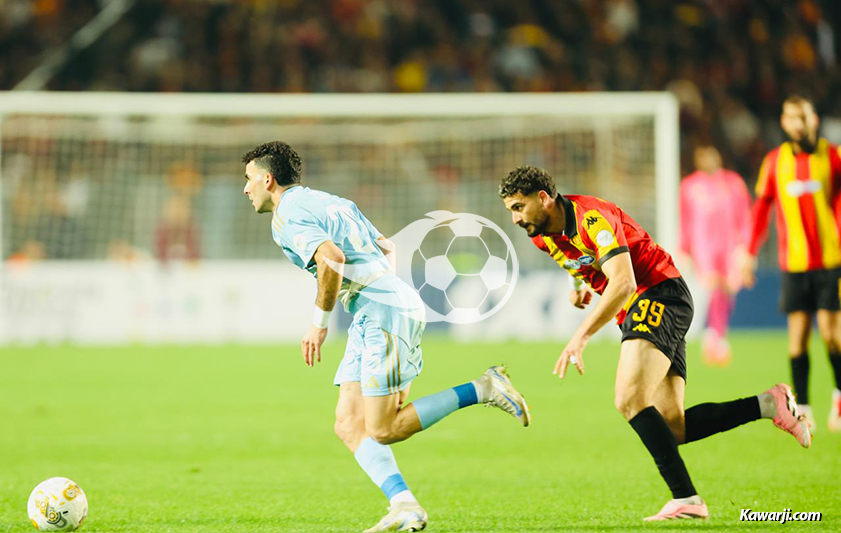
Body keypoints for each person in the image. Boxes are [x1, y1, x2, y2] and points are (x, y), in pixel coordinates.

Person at [241, 141, 531, 532]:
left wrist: (319, 323)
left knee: (384, 428)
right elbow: (386, 245)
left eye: (248, 179)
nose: (246, 189)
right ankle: (404, 506)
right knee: (347, 423)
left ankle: (483, 388)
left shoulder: (287, 215)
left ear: (267, 178)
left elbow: (332, 260)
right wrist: (382, 290)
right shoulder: (332, 201)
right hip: (376, 312)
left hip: (382, 315)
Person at [499, 165, 810, 522]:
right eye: (510, 210)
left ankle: (687, 498)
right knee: (672, 428)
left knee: (629, 399)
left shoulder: (592, 218)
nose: (515, 219)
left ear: (543, 198)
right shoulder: (542, 234)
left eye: (518, 207)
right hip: (644, 307)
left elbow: (624, 283)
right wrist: (579, 288)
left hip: (659, 294)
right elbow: (577, 262)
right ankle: (770, 404)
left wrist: (580, 336)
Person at [741, 94, 841, 432]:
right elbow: (761, 209)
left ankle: (839, 397)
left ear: (814, 119)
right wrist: (749, 251)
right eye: (791, 118)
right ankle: (807, 408)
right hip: (794, 265)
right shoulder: (775, 162)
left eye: (803, 117)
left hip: (830, 261)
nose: (797, 123)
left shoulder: (833, 157)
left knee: (831, 335)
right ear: (784, 123)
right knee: (797, 340)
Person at [679, 145, 751, 366]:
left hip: (730, 246)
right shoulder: (690, 186)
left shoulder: (733, 183)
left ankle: (716, 333)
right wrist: (683, 247)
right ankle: (714, 335)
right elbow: (685, 219)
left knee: (728, 288)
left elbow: (745, 216)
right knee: (713, 286)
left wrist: (747, 246)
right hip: (704, 247)